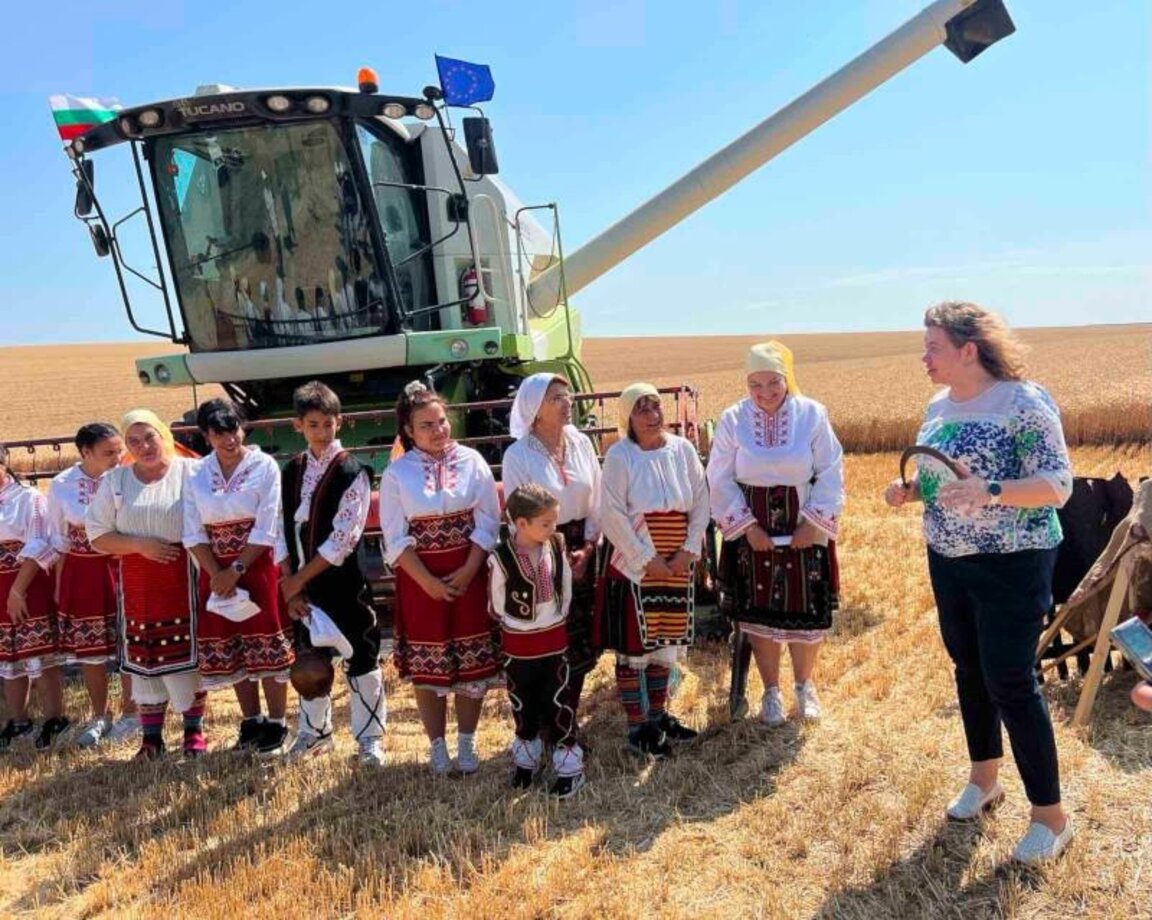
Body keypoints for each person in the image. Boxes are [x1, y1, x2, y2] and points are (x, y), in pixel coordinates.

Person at [883, 301, 1074, 866]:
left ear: (969, 349)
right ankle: (984, 779)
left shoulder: (1023, 401)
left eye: (933, 346)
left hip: (1014, 560)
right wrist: (913, 490)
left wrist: (993, 491)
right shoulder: (938, 407)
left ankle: (1051, 817)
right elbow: (942, 475)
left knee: (1011, 680)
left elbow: (1057, 484)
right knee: (969, 669)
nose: (924, 357)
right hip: (948, 556)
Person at [707, 342, 845, 725]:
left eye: (773, 382)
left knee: (806, 609)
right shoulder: (733, 418)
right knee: (760, 611)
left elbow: (832, 469)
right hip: (754, 525)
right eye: (755, 384)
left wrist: (813, 523)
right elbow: (718, 476)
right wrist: (747, 528)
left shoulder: (812, 414)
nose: (765, 392)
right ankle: (771, 691)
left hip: (803, 523)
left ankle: (804, 686)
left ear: (787, 379)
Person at [380, 381, 501, 776]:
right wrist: (427, 582)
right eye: (427, 425)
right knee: (428, 666)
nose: (439, 430)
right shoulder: (397, 474)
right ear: (409, 431)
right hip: (421, 580)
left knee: (473, 662)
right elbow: (395, 538)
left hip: (469, 572)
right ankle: (437, 748)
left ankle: (467, 742)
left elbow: (488, 520)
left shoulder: (472, 461)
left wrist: (468, 571)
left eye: (442, 421)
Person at [86, 411, 206, 759]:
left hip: (182, 574)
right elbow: (97, 533)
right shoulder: (116, 482)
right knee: (143, 657)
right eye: (134, 441)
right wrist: (141, 545)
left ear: (164, 435)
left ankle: (193, 732)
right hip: (137, 581)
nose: (144, 446)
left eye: (150, 437)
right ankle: (151, 738)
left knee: (186, 654)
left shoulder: (190, 472)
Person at [598, 383, 708, 757]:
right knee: (636, 647)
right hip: (636, 563)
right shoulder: (620, 456)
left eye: (655, 407)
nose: (652, 415)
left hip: (677, 560)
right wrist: (645, 558)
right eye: (641, 409)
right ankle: (637, 727)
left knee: (666, 642)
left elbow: (701, 501)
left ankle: (659, 716)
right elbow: (610, 512)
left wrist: (689, 550)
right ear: (627, 417)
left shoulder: (683, 450)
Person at [279, 381, 384, 765]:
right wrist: (290, 588)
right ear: (299, 426)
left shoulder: (353, 472)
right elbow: (280, 531)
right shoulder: (290, 471)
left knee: (362, 659)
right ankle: (314, 734)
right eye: (312, 425)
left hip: (344, 585)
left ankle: (370, 739)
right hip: (302, 587)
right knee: (309, 664)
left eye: (327, 423)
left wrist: (297, 581)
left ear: (340, 422)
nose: (321, 432)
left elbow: (343, 539)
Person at [183, 399, 294, 755]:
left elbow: (267, 524)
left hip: (256, 564)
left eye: (233, 429)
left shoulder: (264, 466)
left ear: (242, 428)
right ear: (206, 435)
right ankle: (251, 721)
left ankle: (277, 722)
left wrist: (237, 570)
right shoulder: (196, 474)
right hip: (213, 568)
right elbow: (192, 530)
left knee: (266, 644)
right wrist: (217, 573)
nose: (229, 439)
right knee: (233, 645)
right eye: (219, 433)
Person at [501, 372, 601, 732]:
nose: (567, 402)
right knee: (552, 637)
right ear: (535, 409)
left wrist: (588, 548)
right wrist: (550, 559)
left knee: (581, 642)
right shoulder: (518, 455)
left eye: (568, 395)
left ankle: (565, 719)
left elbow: (597, 499)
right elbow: (519, 514)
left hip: (582, 548)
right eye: (556, 397)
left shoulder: (581, 444)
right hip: (540, 551)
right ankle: (552, 724)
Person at [47, 423, 140, 748]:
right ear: (86, 453)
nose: (118, 457)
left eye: (119, 450)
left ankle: (132, 713)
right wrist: (59, 585)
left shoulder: (130, 475)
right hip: (84, 572)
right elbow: (58, 538)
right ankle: (100, 715)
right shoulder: (62, 485)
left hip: (124, 563)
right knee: (92, 651)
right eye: (109, 452)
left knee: (130, 640)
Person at [490, 484, 584, 797]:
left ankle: (570, 768)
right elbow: (497, 600)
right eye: (545, 523)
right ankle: (526, 763)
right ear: (521, 524)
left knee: (558, 703)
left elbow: (566, 585)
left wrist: (557, 617)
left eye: (554, 522)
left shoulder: (555, 545)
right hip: (518, 646)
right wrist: (514, 625)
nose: (553, 528)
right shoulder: (501, 558)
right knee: (522, 705)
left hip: (553, 642)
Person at [0, 444, 71, 751]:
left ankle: (55, 719)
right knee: (8, 658)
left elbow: (40, 543)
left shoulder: (29, 499)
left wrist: (17, 590)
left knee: (39, 655)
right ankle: (18, 722)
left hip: (26, 584)